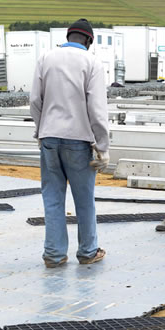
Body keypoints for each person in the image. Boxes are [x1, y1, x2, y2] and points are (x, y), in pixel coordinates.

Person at [30, 18, 110, 268]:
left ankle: (53, 255)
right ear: (89, 40)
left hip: (49, 138)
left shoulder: (46, 58)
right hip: (79, 140)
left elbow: (35, 100)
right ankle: (88, 251)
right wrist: (103, 147)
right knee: (84, 199)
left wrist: (40, 130)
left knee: (52, 197)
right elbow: (97, 110)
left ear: (68, 36)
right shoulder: (92, 62)